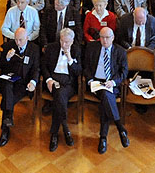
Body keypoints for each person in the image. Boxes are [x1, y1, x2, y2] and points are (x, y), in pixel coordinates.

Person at [84, 26, 129, 154]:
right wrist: (90, 80)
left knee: (105, 97)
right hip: (96, 83)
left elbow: (124, 72)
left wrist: (113, 82)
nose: (104, 40)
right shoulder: (92, 47)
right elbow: (86, 67)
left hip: (111, 84)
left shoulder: (120, 51)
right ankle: (120, 127)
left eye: (107, 38)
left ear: (113, 38)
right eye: (102, 37)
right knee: (104, 95)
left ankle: (103, 137)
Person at [0, 26, 39, 146]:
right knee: (7, 86)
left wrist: (33, 82)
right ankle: (6, 123)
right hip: (9, 79)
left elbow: (36, 69)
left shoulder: (34, 49)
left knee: (8, 98)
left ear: (27, 38)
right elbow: (0, 66)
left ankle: (6, 119)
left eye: (20, 40)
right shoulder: (9, 46)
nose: (17, 43)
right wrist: (7, 58)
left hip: (23, 83)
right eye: (16, 39)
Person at [41, 28, 81, 151]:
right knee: (59, 95)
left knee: (59, 96)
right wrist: (48, 80)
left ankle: (56, 133)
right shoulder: (52, 48)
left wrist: (70, 59)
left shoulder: (76, 50)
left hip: (68, 83)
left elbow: (79, 71)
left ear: (72, 41)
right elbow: (43, 66)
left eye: (67, 42)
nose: (64, 45)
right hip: (53, 80)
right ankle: (65, 131)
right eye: (62, 41)